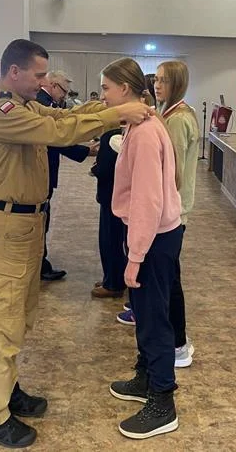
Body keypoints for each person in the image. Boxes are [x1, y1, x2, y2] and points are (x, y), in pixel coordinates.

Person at [0, 39, 152, 449]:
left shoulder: (24, 104)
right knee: (3, 323)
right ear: (13, 72)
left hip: (27, 225)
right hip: (8, 226)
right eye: (38, 75)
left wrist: (102, 109)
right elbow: (58, 131)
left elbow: (64, 115)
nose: (42, 82)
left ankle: (5, 389)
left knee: (19, 318)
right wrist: (117, 113)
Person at [102, 57, 183, 440]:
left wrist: (135, 257)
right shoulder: (138, 125)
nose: (103, 95)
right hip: (149, 234)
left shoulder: (147, 132)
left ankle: (163, 402)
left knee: (153, 319)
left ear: (124, 89)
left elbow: (148, 201)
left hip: (153, 238)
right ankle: (146, 376)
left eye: (106, 88)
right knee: (145, 312)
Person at [116, 62, 199, 370]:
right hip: (172, 209)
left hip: (169, 212)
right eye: (157, 80)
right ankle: (176, 341)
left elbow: (170, 173)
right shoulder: (172, 114)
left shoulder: (176, 120)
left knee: (168, 284)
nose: (158, 85)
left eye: (165, 81)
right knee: (169, 280)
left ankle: (176, 344)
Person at [36, 70, 94, 281]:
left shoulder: (49, 103)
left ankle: (40, 261)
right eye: (64, 90)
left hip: (45, 169)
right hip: (40, 171)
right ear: (53, 85)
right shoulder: (42, 103)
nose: (65, 95)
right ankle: (40, 263)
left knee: (43, 216)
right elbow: (56, 138)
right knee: (41, 217)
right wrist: (86, 150)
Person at [90, 127, 127, 298]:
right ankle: (115, 278)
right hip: (122, 195)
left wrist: (94, 170)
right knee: (118, 239)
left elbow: (104, 168)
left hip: (111, 196)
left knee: (110, 240)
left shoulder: (111, 136)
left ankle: (113, 283)